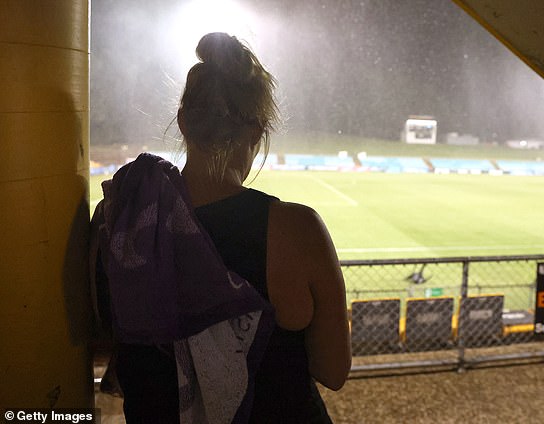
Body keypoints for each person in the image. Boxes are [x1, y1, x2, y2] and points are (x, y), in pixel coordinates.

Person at [93, 32, 351, 423]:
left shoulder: (122, 219)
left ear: (182, 120)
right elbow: (333, 371)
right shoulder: (299, 230)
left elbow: (105, 346)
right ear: (257, 131)